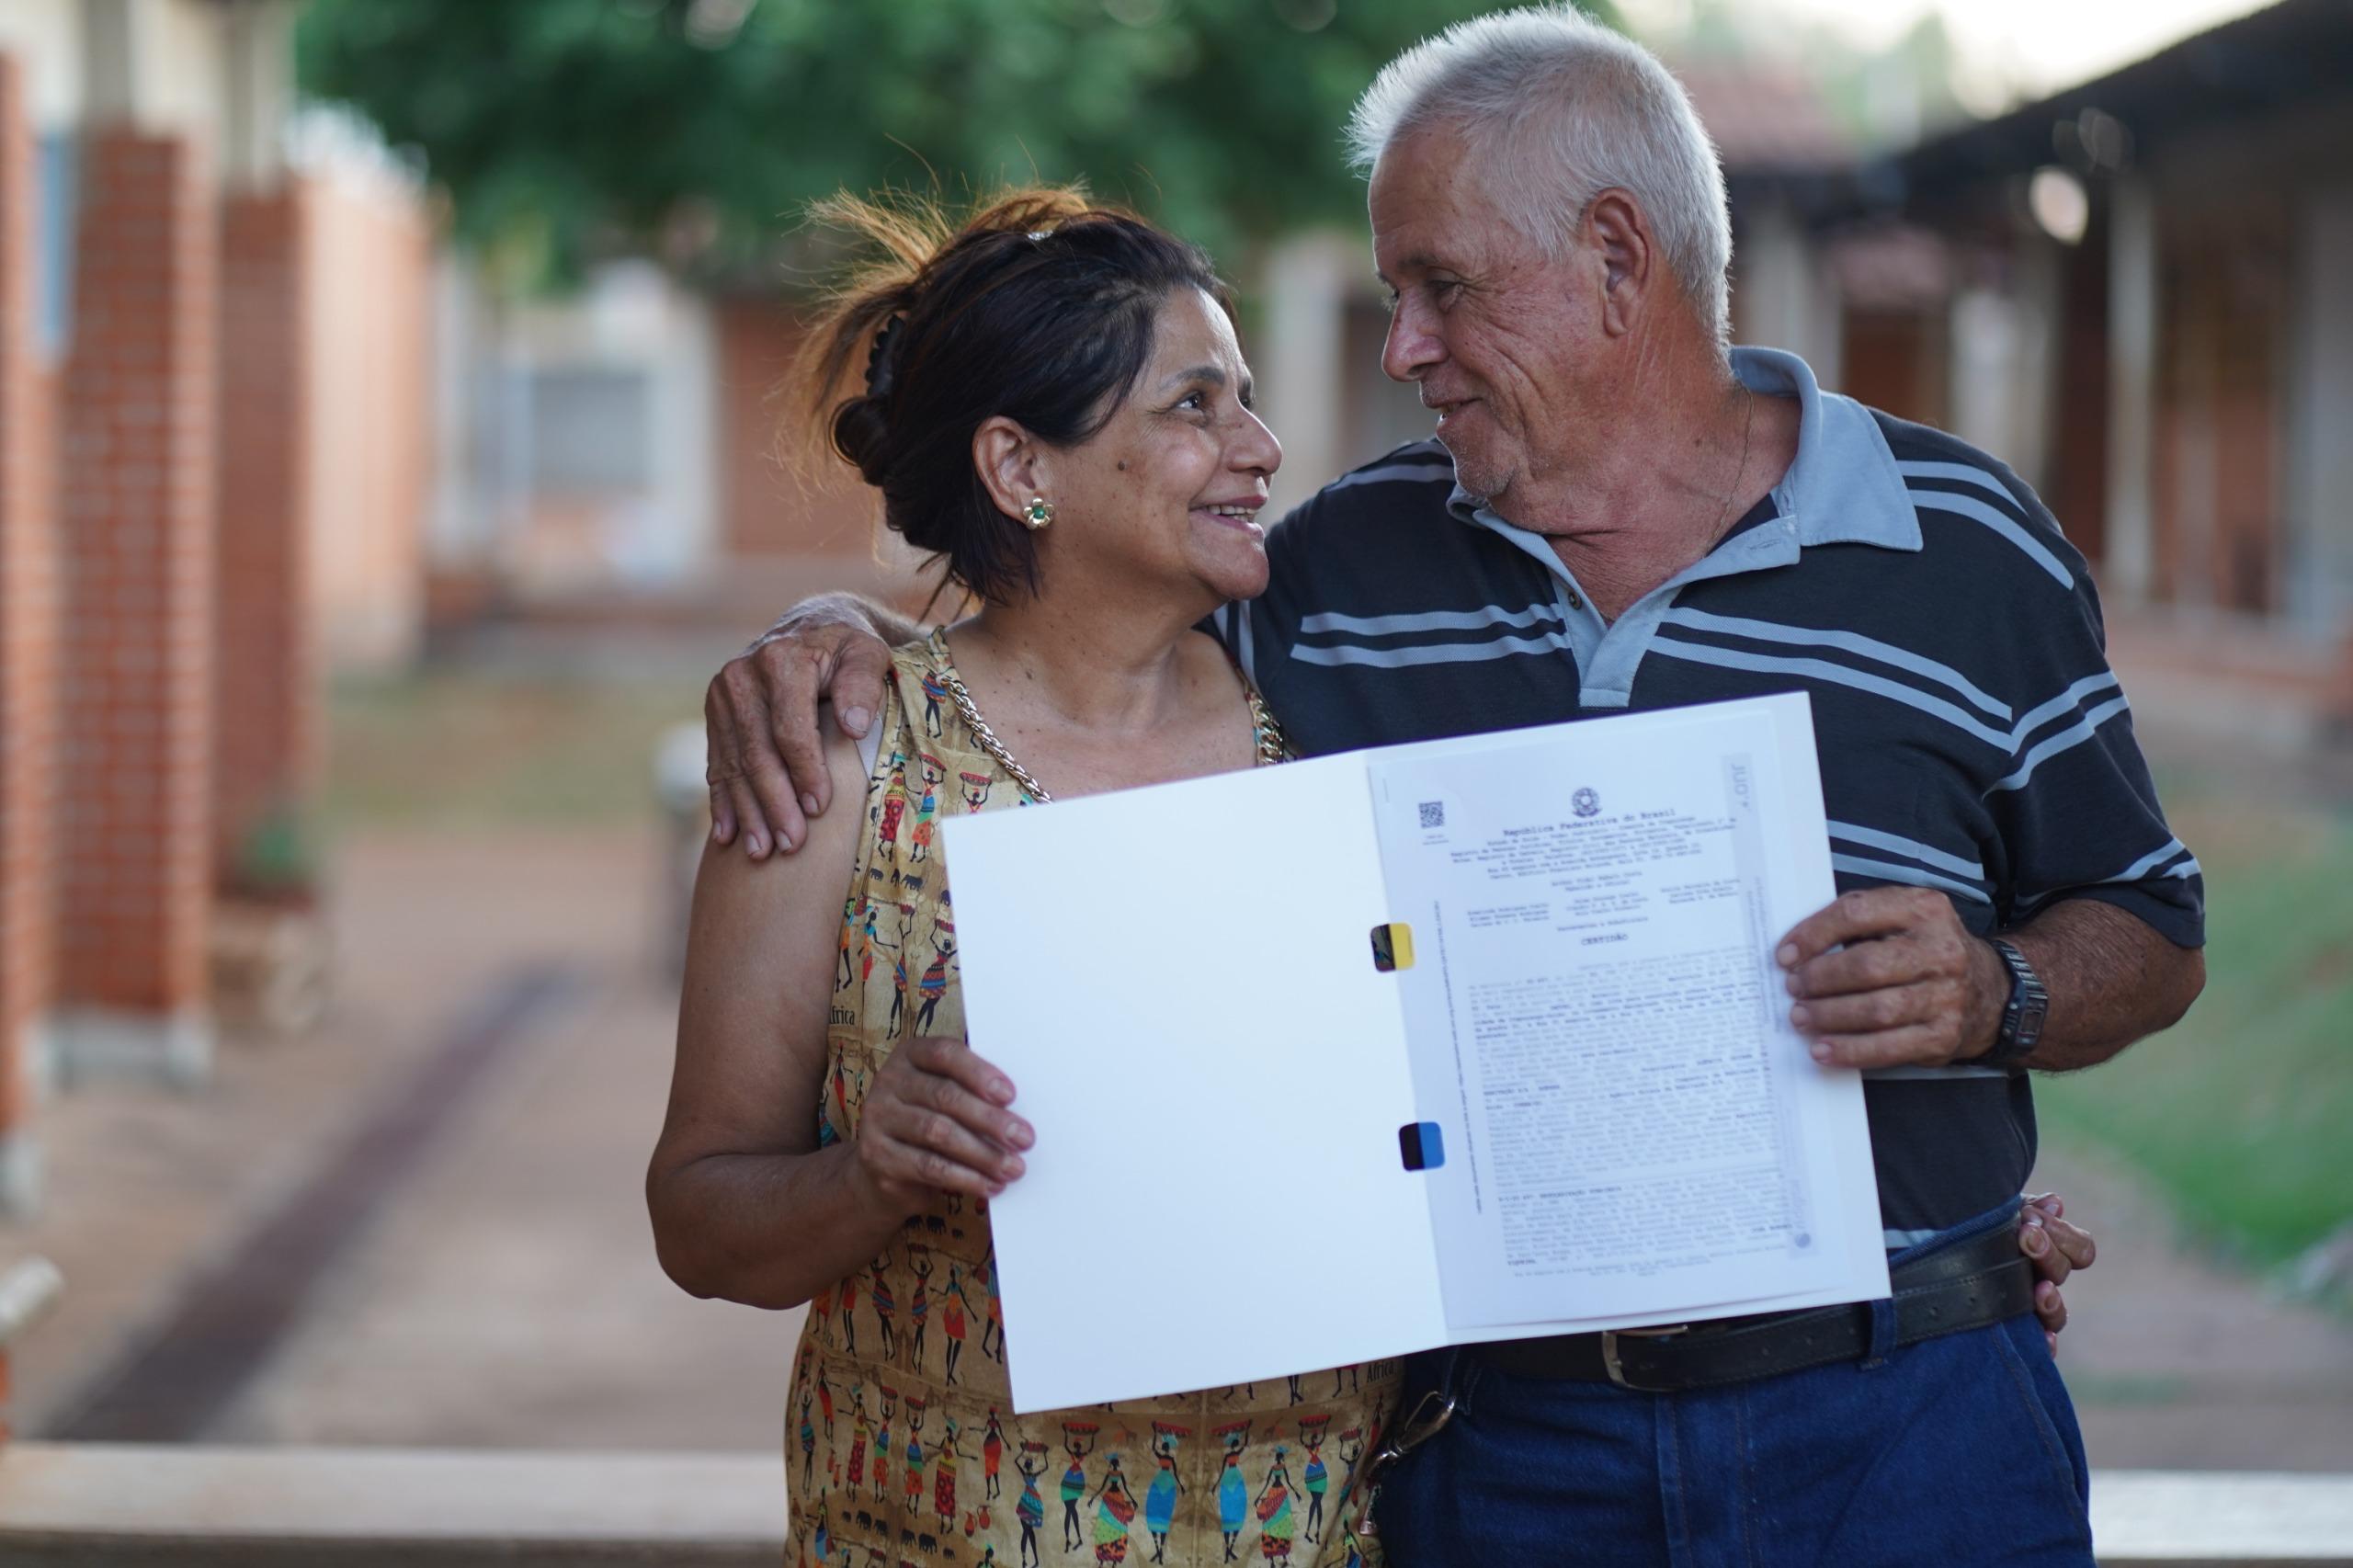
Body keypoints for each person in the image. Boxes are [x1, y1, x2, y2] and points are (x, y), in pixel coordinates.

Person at [693, 10, 2177, 1564]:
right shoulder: (1334, 574)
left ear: (1617, 256)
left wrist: (1995, 991)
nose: (1401, 348)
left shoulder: (1966, 540)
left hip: (1911, 1423)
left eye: (1439, 288)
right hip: (1504, 1452)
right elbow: (1065, 644)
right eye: (1394, 295)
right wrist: (832, 632)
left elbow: (2152, 920)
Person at [646, 186, 1409, 1568]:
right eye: (1196, 405)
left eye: (1242, 397)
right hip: (938, 1531)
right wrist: (867, 1173)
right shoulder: (842, 766)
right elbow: (700, 1220)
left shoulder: (1326, 732)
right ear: (1021, 466)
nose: (1261, 445)